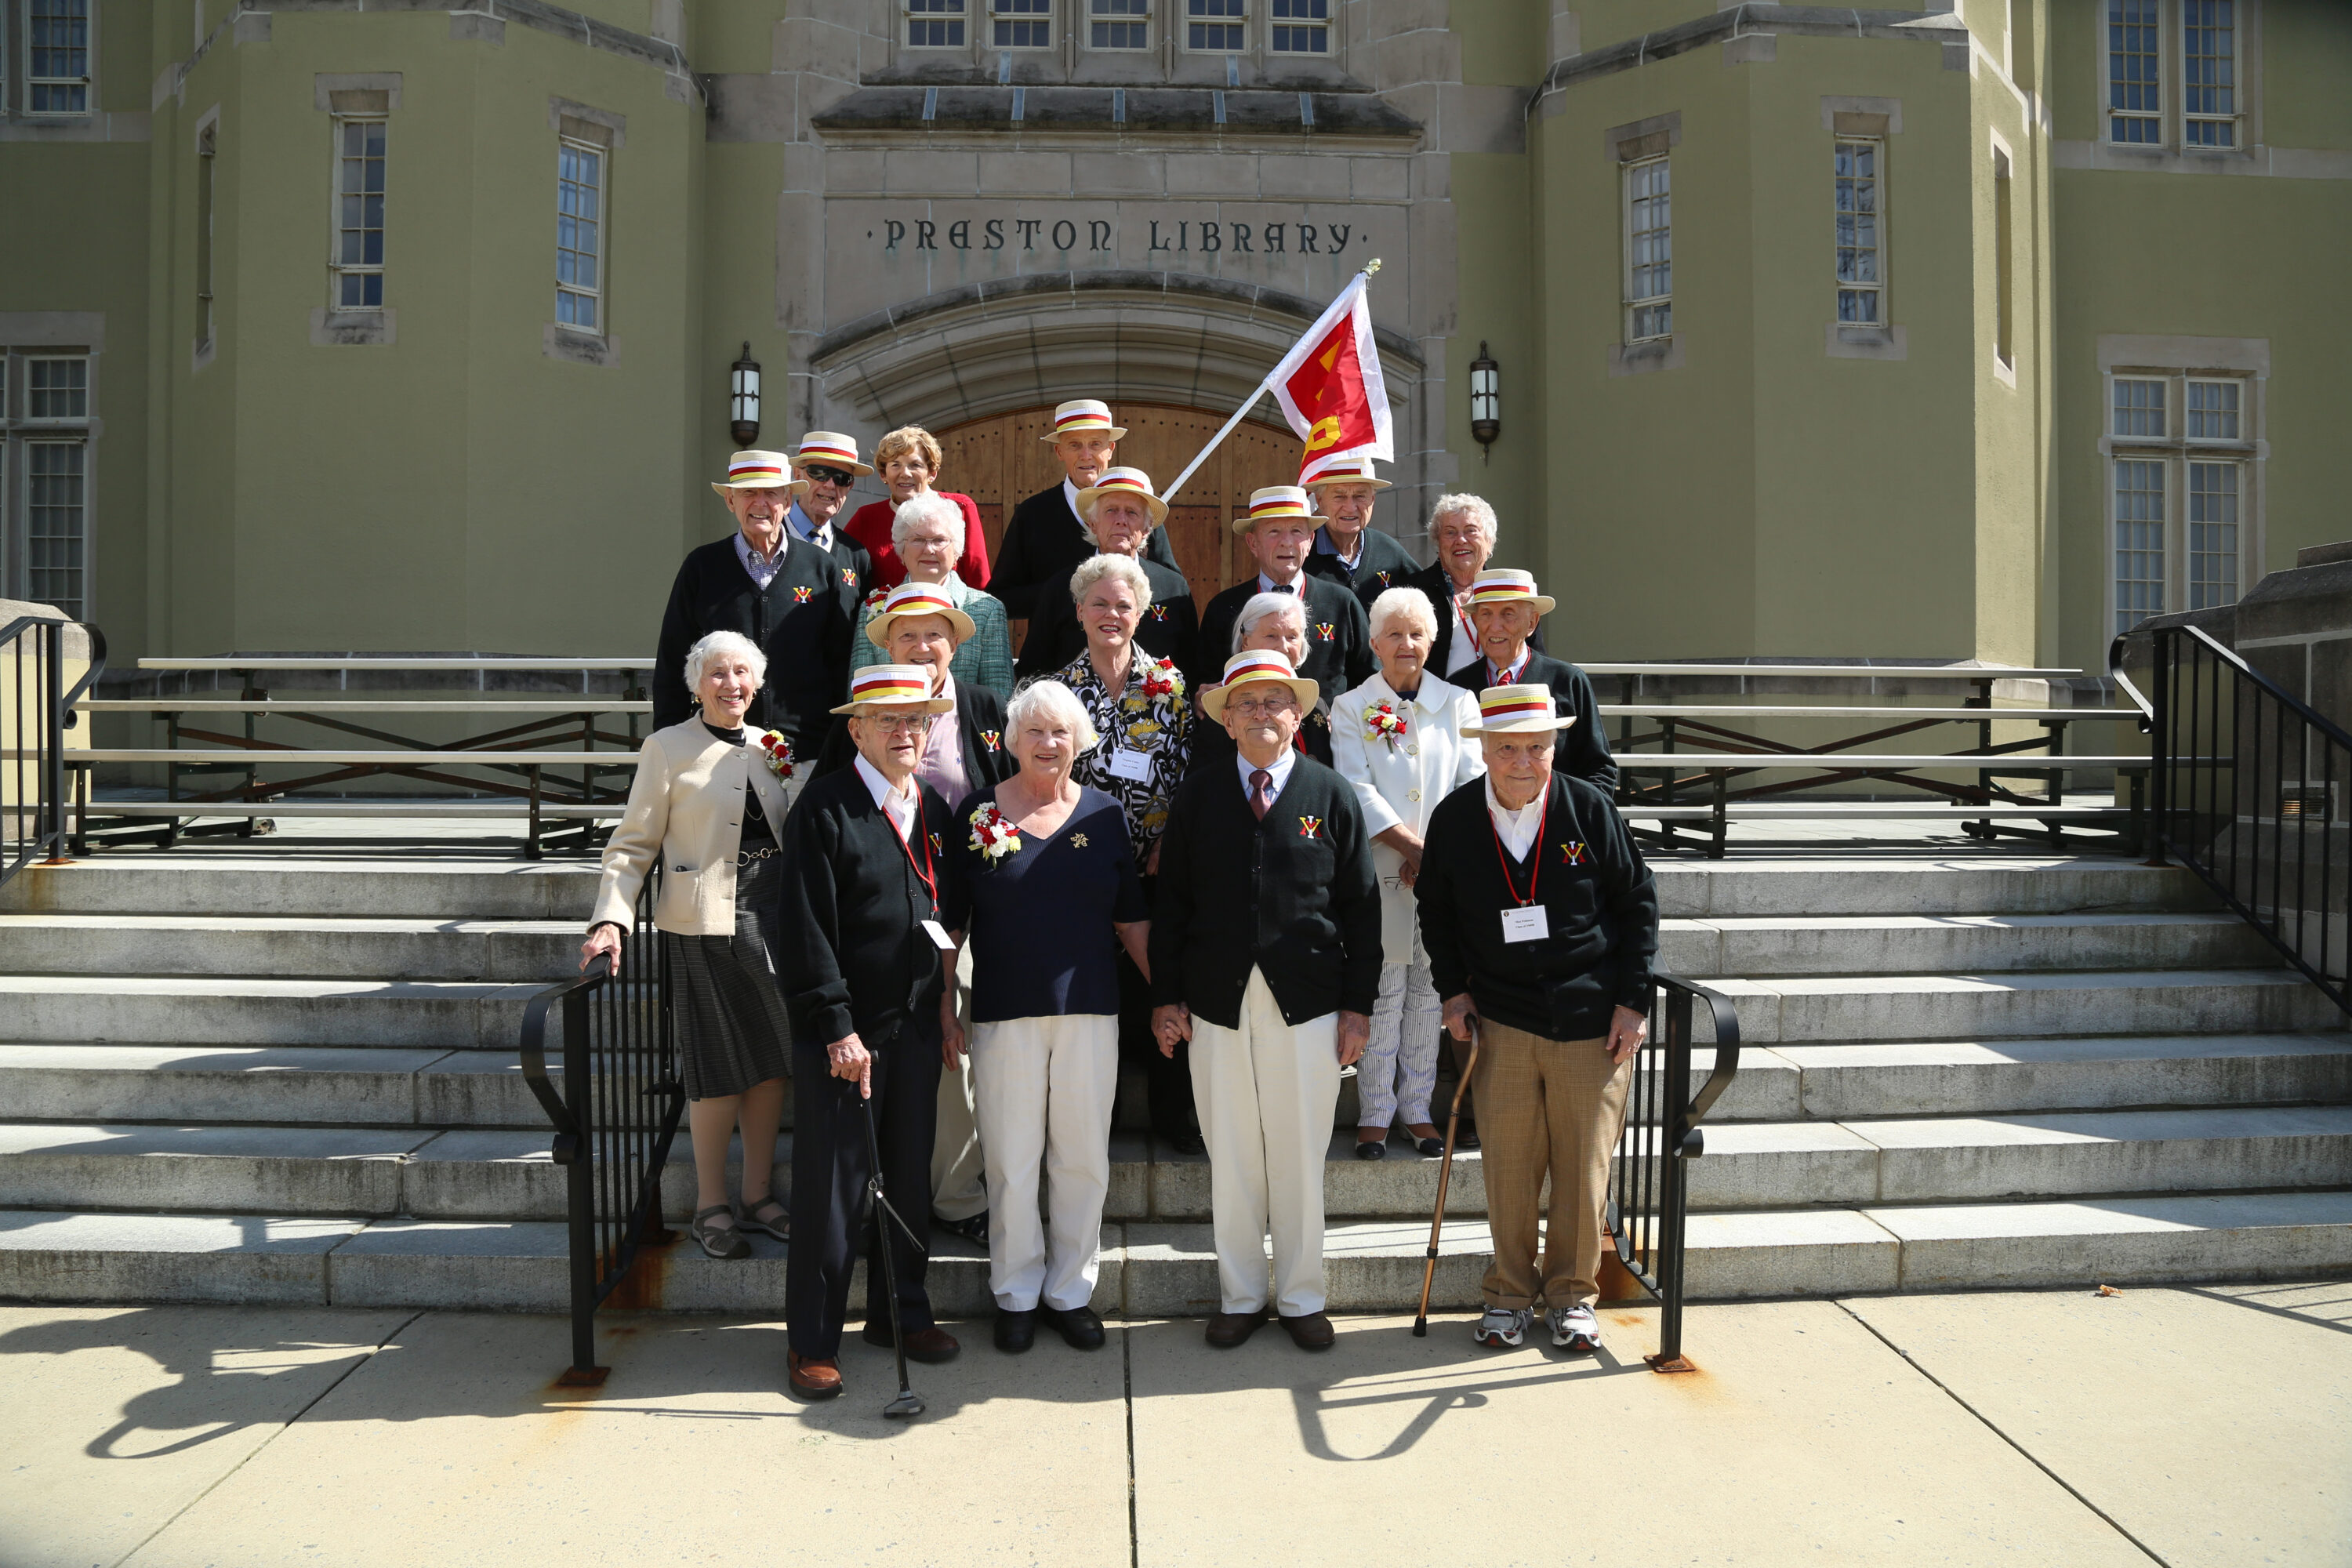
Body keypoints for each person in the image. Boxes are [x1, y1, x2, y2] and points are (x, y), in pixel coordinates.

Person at [1414, 683, 1659, 1356]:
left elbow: (1638, 903)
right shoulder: (1456, 819)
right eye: (1509, 747)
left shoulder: (1589, 809)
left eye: (1538, 746)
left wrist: (1633, 1003)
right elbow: (1435, 912)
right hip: (1502, 1021)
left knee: (1583, 1170)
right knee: (1511, 1168)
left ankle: (1573, 1298)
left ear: (1555, 748)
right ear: (1485, 751)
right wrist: (1453, 992)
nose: (1524, 760)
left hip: (1591, 1020)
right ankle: (1509, 1296)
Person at [1150, 649, 1381, 1353]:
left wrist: (1358, 1006)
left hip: (1308, 1003)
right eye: (1245, 704)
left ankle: (1304, 1296)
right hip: (1216, 1002)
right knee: (1233, 1152)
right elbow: (1173, 905)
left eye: (1274, 701)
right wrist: (1166, 997)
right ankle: (1242, 1295)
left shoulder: (1331, 794)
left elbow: (1362, 908)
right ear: (1226, 721)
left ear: (1298, 712)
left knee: (1301, 1152)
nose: (1261, 715)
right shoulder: (1199, 795)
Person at [938, 681, 1150, 1354]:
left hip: (1090, 1009)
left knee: (1082, 1155)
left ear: (1080, 742)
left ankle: (1069, 1291)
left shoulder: (1107, 814)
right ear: (1009, 740)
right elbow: (950, 923)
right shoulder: (977, 813)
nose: (1049, 744)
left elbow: (1132, 918)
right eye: (1034, 732)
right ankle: (1017, 1292)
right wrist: (946, 1002)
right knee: (1010, 1156)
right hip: (1003, 1011)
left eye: (1061, 732)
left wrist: (1168, 996)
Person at [777, 665, 965, 1400]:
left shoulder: (937, 811)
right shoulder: (824, 808)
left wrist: (946, 1005)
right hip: (845, 1038)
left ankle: (900, 1314)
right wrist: (835, 1027)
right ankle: (812, 1342)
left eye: (916, 720)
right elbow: (803, 931)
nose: (904, 732)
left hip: (915, 1026)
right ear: (856, 729)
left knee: (909, 1178)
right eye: (887, 719)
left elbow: (942, 925)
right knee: (834, 1190)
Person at [583, 631, 797, 1261]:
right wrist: (611, 919)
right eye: (718, 674)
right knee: (715, 1068)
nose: (732, 684)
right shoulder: (666, 747)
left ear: (756, 683)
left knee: (772, 1062)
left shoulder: (772, 747)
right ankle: (711, 1204)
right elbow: (631, 845)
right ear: (697, 684)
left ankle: (759, 1196)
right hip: (703, 922)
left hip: (774, 916)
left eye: (742, 673)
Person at [818, 579, 1018, 1247]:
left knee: (955, 1053)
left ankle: (957, 1197)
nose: (923, 646)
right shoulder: (859, 720)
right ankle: (890, 1195)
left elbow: (1014, 796)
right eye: (908, 635)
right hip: (888, 924)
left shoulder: (989, 708)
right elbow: (825, 810)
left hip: (974, 910)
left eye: (936, 635)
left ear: (957, 646)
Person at [1026, 552, 1200, 1154]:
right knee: (1090, 993)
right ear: (1078, 611)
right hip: (1077, 867)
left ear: (1142, 612)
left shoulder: (1171, 689)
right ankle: (1083, 1129)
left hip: (1154, 869)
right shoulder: (1053, 694)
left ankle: (1173, 1118)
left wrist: (1167, 845)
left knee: (1163, 980)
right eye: (1098, 603)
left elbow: (1188, 779)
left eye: (1122, 605)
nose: (1111, 614)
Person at [1329, 588, 1484, 1160]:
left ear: (1433, 641)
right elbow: (1355, 787)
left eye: (1417, 633)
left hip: (1444, 876)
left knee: (1430, 992)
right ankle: (1374, 1114)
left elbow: (1472, 786)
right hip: (1382, 871)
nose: (1407, 645)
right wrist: (1413, 849)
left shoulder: (1460, 703)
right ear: (1373, 643)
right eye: (1394, 634)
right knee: (1383, 988)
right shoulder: (1350, 707)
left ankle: (1416, 1110)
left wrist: (1437, 857)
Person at [652, 450, 855, 757]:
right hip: (718, 751)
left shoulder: (821, 567)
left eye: (771, 494)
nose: (760, 504)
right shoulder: (702, 567)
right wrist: (670, 744)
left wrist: (838, 750)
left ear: (787, 502)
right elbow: (673, 660)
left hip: (807, 754)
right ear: (731, 501)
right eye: (749, 493)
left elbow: (841, 664)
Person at [1196, 486, 1373, 764]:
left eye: (1297, 531)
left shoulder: (1341, 602)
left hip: (1332, 756)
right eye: (1274, 532)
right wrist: (1202, 694)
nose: (1286, 542)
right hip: (1247, 761)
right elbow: (1202, 682)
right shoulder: (1224, 608)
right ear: (1253, 543)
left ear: (1311, 540)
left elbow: (1370, 680)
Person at [989, 400, 1181, 618]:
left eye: (1096, 444)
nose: (1086, 455)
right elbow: (1002, 599)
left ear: (1111, 449)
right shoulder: (1032, 514)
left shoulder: (1141, 510)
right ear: (1059, 451)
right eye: (1075, 445)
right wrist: (1067, 592)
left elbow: (1170, 590)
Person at [1015, 467, 1201, 685]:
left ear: (1148, 527)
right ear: (1092, 522)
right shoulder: (1060, 586)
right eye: (1111, 510)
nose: (1121, 520)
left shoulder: (1173, 589)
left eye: (1132, 512)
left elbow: (1192, 670)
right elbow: (1033, 670)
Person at [1463, 568, 1615, 791]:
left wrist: (1573, 818)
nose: (1495, 626)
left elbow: (1599, 770)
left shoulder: (1568, 681)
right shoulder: (1458, 687)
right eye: (1486, 614)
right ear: (1475, 621)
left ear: (1532, 623)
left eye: (1508, 613)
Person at [853, 494, 1015, 699]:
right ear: (901, 551)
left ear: (956, 551)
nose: (929, 549)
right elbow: (859, 693)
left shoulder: (986, 610)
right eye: (918, 540)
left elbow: (999, 697)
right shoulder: (874, 608)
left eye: (939, 540)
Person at [1405, 493, 1548, 681]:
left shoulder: (1509, 591)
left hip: (1504, 698)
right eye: (1450, 532)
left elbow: (1537, 659)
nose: (1461, 540)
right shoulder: (1415, 592)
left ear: (1489, 542)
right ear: (1438, 542)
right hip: (1438, 704)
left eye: (1471, 531)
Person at [841, 424, 993, 592]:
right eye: (895, 465)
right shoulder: (867, 517)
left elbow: (979, 579)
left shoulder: (960, 508)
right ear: (883, 474)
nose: (905, 473)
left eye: (915, 465)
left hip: (952, 614)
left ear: (932, 473)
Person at [1183, 590, 1305, 784]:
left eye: (1292, 637)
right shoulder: (1223, 710)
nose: (1283, 647)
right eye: (1271, 635)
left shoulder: (1317, 709)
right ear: (1246, 642)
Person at [1301, 456, 1417, 605]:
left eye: (1360, 496)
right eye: (1339, 496)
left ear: (1373, 500)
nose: (1350, 508)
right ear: (1319, 500)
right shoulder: (1302, 554)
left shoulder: (1390, 552)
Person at [782, 431, 877, 600]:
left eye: (842, 478)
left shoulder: (856, 555)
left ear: (851, 486)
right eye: (819, 473)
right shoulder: (768, 541)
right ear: (798, 474)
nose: (830, 485)